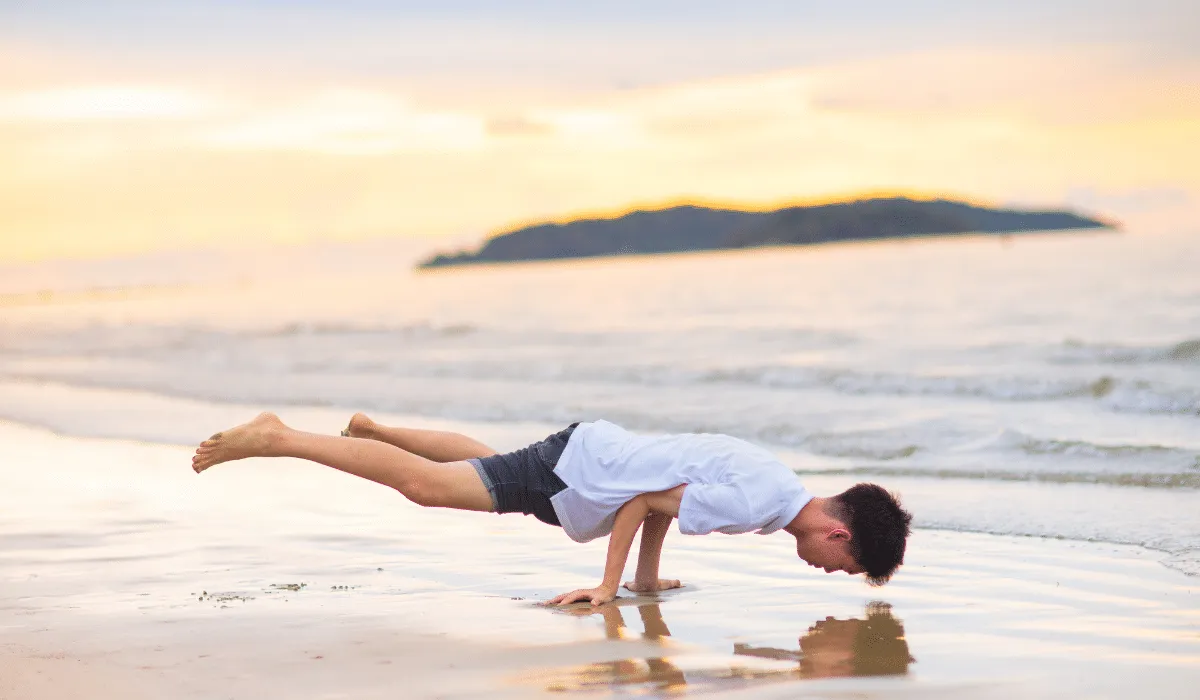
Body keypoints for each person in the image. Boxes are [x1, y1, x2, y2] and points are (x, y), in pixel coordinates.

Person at [191, 413, 912, 606]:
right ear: (839, 533)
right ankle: (278, 437)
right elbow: (644, 502)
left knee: (487, 469)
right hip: (587, 473)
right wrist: (610, 584)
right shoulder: (763, 500)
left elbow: (665, 502)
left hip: (585, 469)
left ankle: (376, 432)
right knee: (431, 488)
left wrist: (646, 581)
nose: (829, 572)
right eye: (843, 568)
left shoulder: (776, 495)